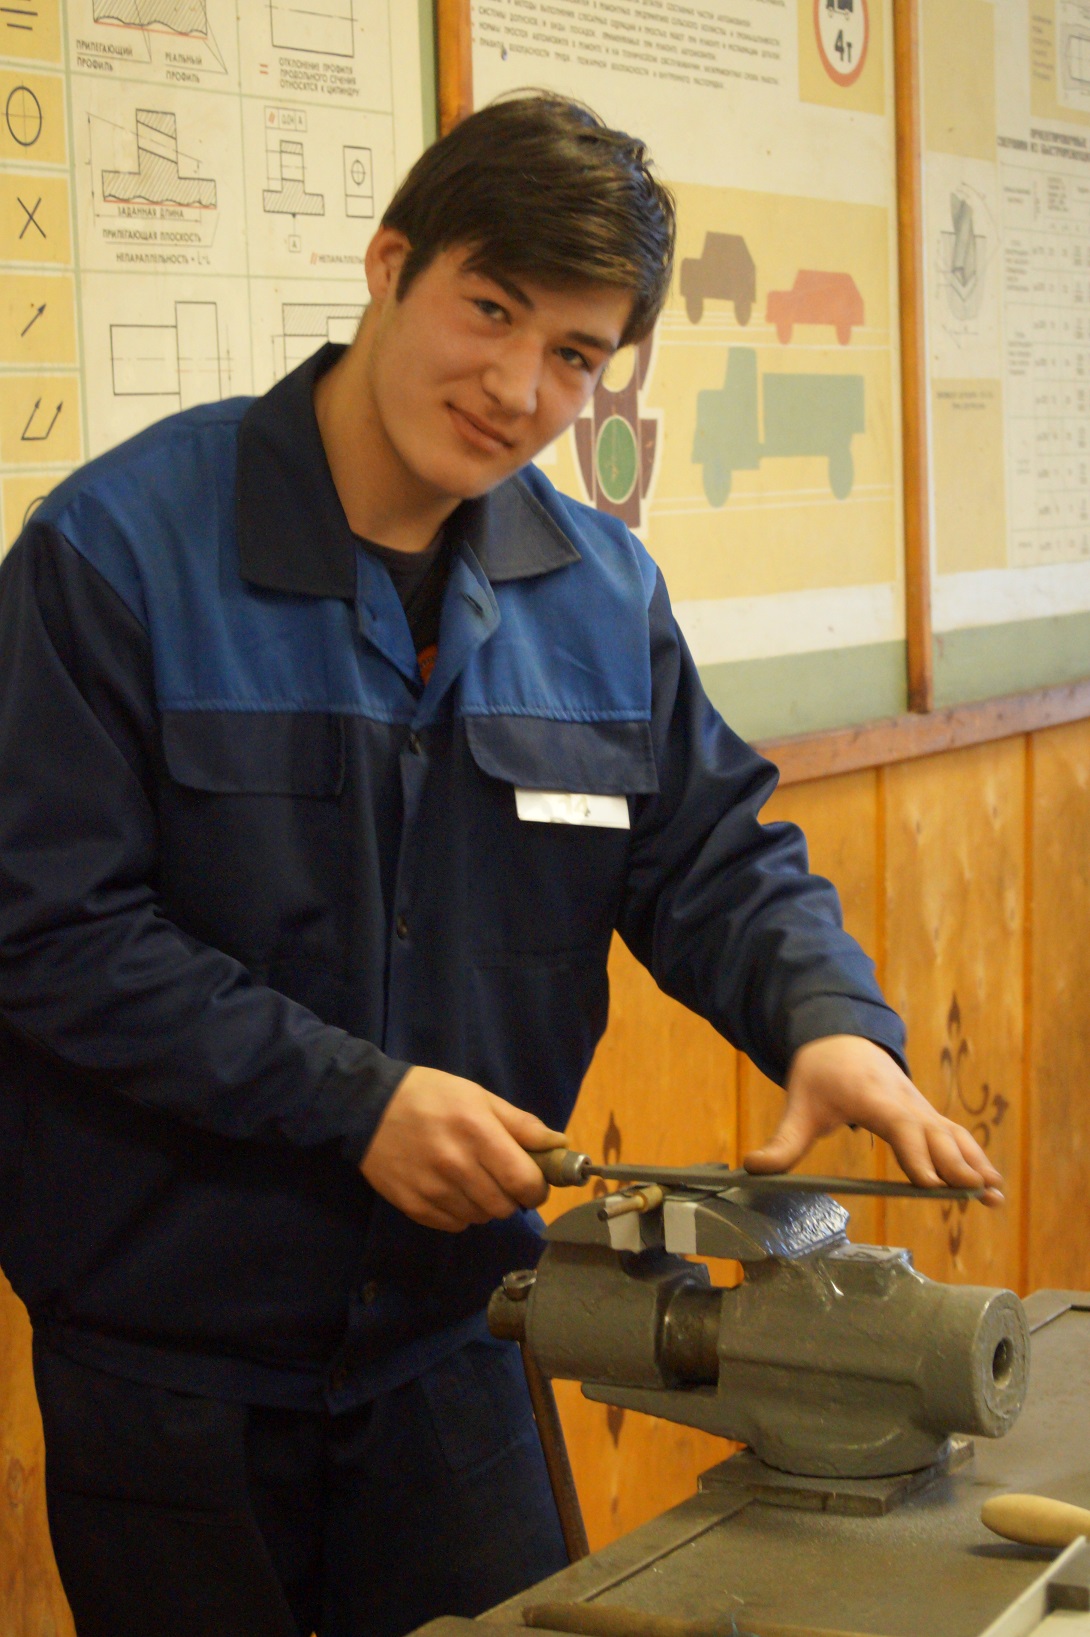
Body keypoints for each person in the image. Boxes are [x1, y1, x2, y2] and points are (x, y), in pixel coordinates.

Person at [0, 93, 1001, 1637]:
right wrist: (356, 1100)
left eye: (575, 355)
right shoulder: (113, 555)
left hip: (459, 1343)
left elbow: (711, 855)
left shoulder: (599, 594)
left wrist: (826, 1021)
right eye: (489, 309)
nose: (517, 388)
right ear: (388, 264)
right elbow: (48, 930)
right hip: (170, 1376)